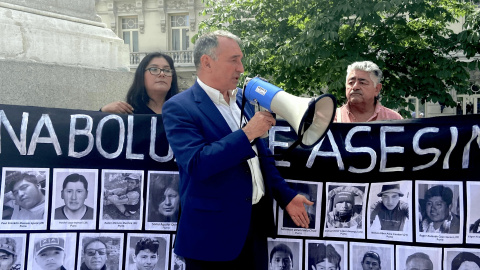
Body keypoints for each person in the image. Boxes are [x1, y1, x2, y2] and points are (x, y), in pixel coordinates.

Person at [162, 30, 313, 269]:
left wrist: (286, 196)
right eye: (234, 60)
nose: (241, 68)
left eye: (241, 60)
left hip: (252, 230)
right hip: (210, 237)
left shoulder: (242, 101)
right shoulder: (179, 107)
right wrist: (248, 133)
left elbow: (261, 160)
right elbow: (198, 164)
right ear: (207, 62)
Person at [100, 52, 179, 114]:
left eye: (167, 70)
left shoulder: (181, 111)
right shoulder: (127, 112)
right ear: (141, 75)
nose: (162, 74)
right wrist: (103, 111)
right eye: (154, 69)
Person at [335, 61, 403, 122]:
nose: (355, 87)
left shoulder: (394, 119)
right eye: (351, 82)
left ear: (377, 89)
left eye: (362, 83)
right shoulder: (332, 119)